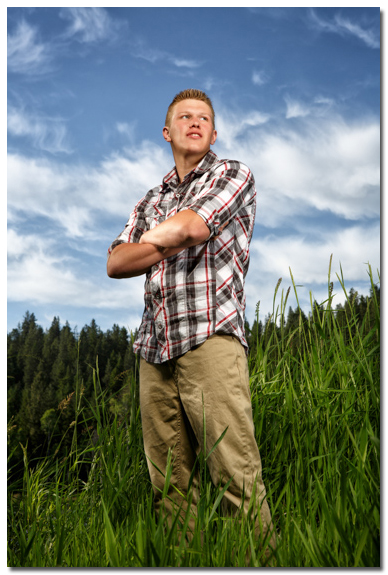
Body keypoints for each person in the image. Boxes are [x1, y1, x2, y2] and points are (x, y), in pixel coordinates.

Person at [107, 89, 275, 557]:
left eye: (204, 117)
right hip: (153, 352)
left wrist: (153, 245)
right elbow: (116, 262)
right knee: (170, 490)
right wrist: (166, 239)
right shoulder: (151, 197)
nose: (195, 122)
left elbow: (195, 227)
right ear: (167, 132)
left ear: (214, 132)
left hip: (209, 339)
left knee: (235, 477)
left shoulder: (233, 173)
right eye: (185, 116)